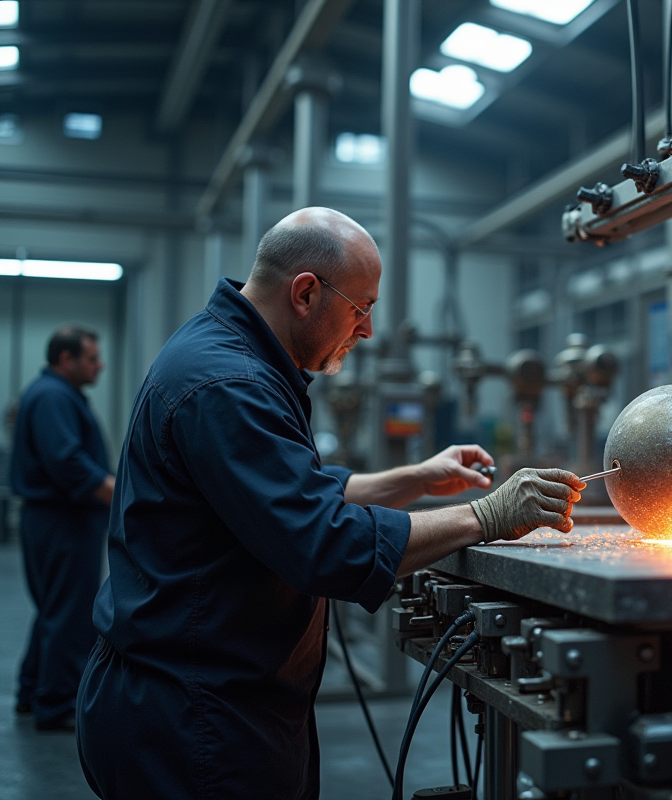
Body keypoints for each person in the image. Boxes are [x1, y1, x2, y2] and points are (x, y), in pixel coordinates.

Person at [76, 208, 584, 799]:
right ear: (306, 292)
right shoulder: (228, 383)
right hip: (193, 716)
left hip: (213, 694)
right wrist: (489, 516)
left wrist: (417, 476)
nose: (366, 329)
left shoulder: (240, 357)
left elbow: (290, 491)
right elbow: (322, 541)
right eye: (362, 306)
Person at [9, 325, 115, 732]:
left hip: (53, 519)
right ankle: (55, 706)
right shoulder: (54, 396)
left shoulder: (52, 393)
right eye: (91, 358)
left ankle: (31, 692)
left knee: (54, 610)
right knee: (68, 616)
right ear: (65, 359)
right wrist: (120, 494)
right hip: (63, 521)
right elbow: (67, 461)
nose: (99, 364)